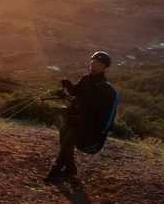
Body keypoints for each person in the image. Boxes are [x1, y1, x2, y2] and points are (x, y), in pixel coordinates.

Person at [45, 51, 116, 180]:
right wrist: (67, 84)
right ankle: (71, 169)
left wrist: (82, 107)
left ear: (103, 66)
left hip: (85, 122)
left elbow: (96, 108)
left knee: (67, 143)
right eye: (92, 61)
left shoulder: (103, 87)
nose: (92, 63)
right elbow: (75, 92)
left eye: (96, 62)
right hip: (74, 116)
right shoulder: (86, 78)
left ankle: (55, 171)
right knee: (63, 139)